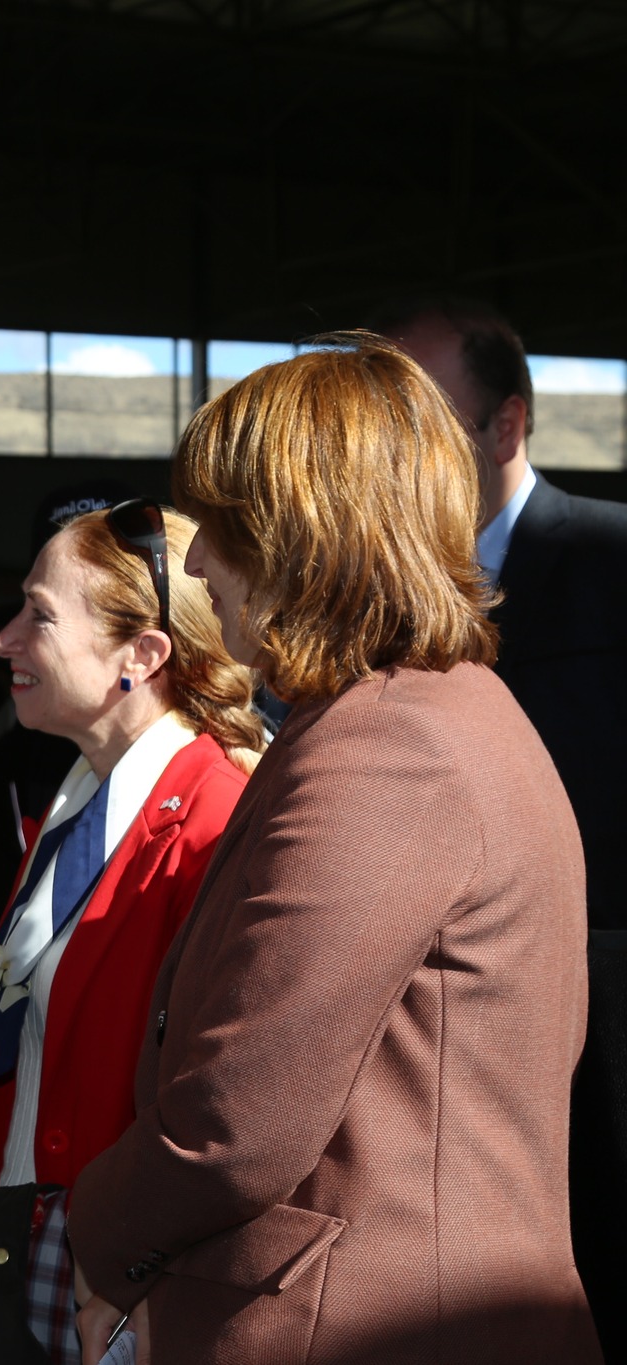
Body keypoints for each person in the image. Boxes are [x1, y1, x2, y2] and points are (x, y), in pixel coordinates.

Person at [68, 335, 600, 1364]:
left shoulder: (389, 749)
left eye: (219, 530)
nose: (193, 564)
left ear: (304, 538)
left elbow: (237, 1123)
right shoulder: (419, 716)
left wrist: (95, 1245)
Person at [0, 502, 259, 1364]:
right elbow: (10, 1050)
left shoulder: (214, 824)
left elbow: (218, 1111)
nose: (3, 639)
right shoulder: (78, 805)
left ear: (141, 656)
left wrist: (126, 1265)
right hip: (27, 1248)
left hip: (113, 1283)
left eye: (39, 615)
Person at [372, 297, 627, 1355]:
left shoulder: (610, 559)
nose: (395, 453)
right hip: (428, 1008)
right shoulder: (381, 588)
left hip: (603, 995)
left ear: (505, 426)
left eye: (423, 419)